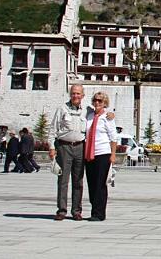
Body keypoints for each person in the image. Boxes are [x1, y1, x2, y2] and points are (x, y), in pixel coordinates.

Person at [48, 84, 114, 221]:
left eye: (78, 93)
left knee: (78, 180)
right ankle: (61, 210)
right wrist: (51, 148)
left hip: (81, 148)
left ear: (83, 96)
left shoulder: (88, 111)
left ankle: (76, 211)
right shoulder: (62, 109)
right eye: (73, 93)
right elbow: (52, 129)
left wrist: (111, 114)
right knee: (63, 180)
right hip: (64, 147)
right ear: (70, 94)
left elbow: (104, 116)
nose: (76, 96)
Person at [84, 92, 117, 221]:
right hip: (89, 153)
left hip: (103, 153)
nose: (97, 103)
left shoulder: (107, 118)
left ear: (105, 103)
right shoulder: (89, 116)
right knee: (91, 183)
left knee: (100, 184)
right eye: (95, 100)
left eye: (100, 101)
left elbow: (113, 137)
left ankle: (99, 213)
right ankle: (94, 209)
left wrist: (113, 154)